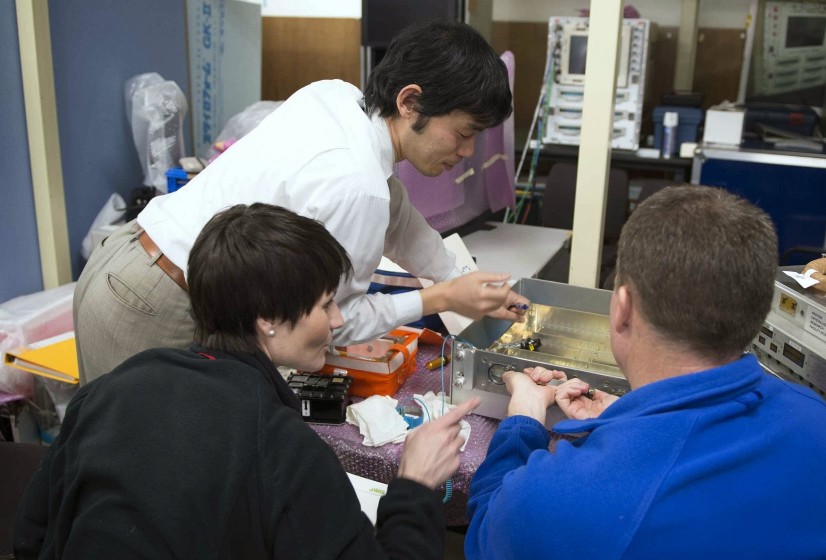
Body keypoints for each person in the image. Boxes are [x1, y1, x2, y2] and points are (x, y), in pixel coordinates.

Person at [2, 203, 480, 560]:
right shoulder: (283, 447)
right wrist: (413, 489)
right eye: (326, 304)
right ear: (269, 320)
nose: (337, 320)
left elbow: (31, 540)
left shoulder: (111, 389)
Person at [463, 185, 826, 560]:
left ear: (620, 308)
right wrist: (623, 420)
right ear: (757, 314)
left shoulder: (571, 502)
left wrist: (523, 421)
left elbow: (487, 530)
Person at [74, 19, 527, 384]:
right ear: (410, 102)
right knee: (132, 473)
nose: (467, 152)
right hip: (159, 300)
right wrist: (439, 297)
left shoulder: (338, 97)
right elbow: (336, 322)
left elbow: (396, 212)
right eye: (464, 133)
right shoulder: (356, 185)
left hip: (127, 256)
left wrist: (457, 276)